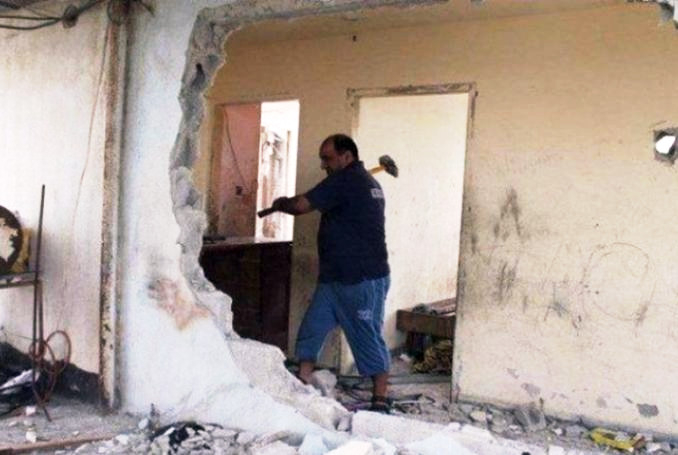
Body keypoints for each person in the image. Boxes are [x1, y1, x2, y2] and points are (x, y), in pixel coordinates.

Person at [270, 133, 391, 413]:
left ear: (347, 156)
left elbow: (300, 206)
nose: (324, 165)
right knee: (312, 328)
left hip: (362, 278)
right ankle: (302, 381)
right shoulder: (364, 182)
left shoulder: (346, 180)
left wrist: (281, 203)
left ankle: (380, 399)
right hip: (334, 278)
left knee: (367, 335)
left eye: (328, 158)